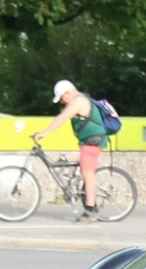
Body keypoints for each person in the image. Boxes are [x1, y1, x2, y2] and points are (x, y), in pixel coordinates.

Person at [31, 80, 110, 213]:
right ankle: (90, 203)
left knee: (88, 174)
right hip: (89, 140)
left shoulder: (78, 102)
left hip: (92, 140)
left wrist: (44, 133)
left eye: (62, 98)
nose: (62, 102)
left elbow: (61, 118)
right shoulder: (82, 99)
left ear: (68, 92)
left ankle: (90, 211)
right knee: (85, 171)